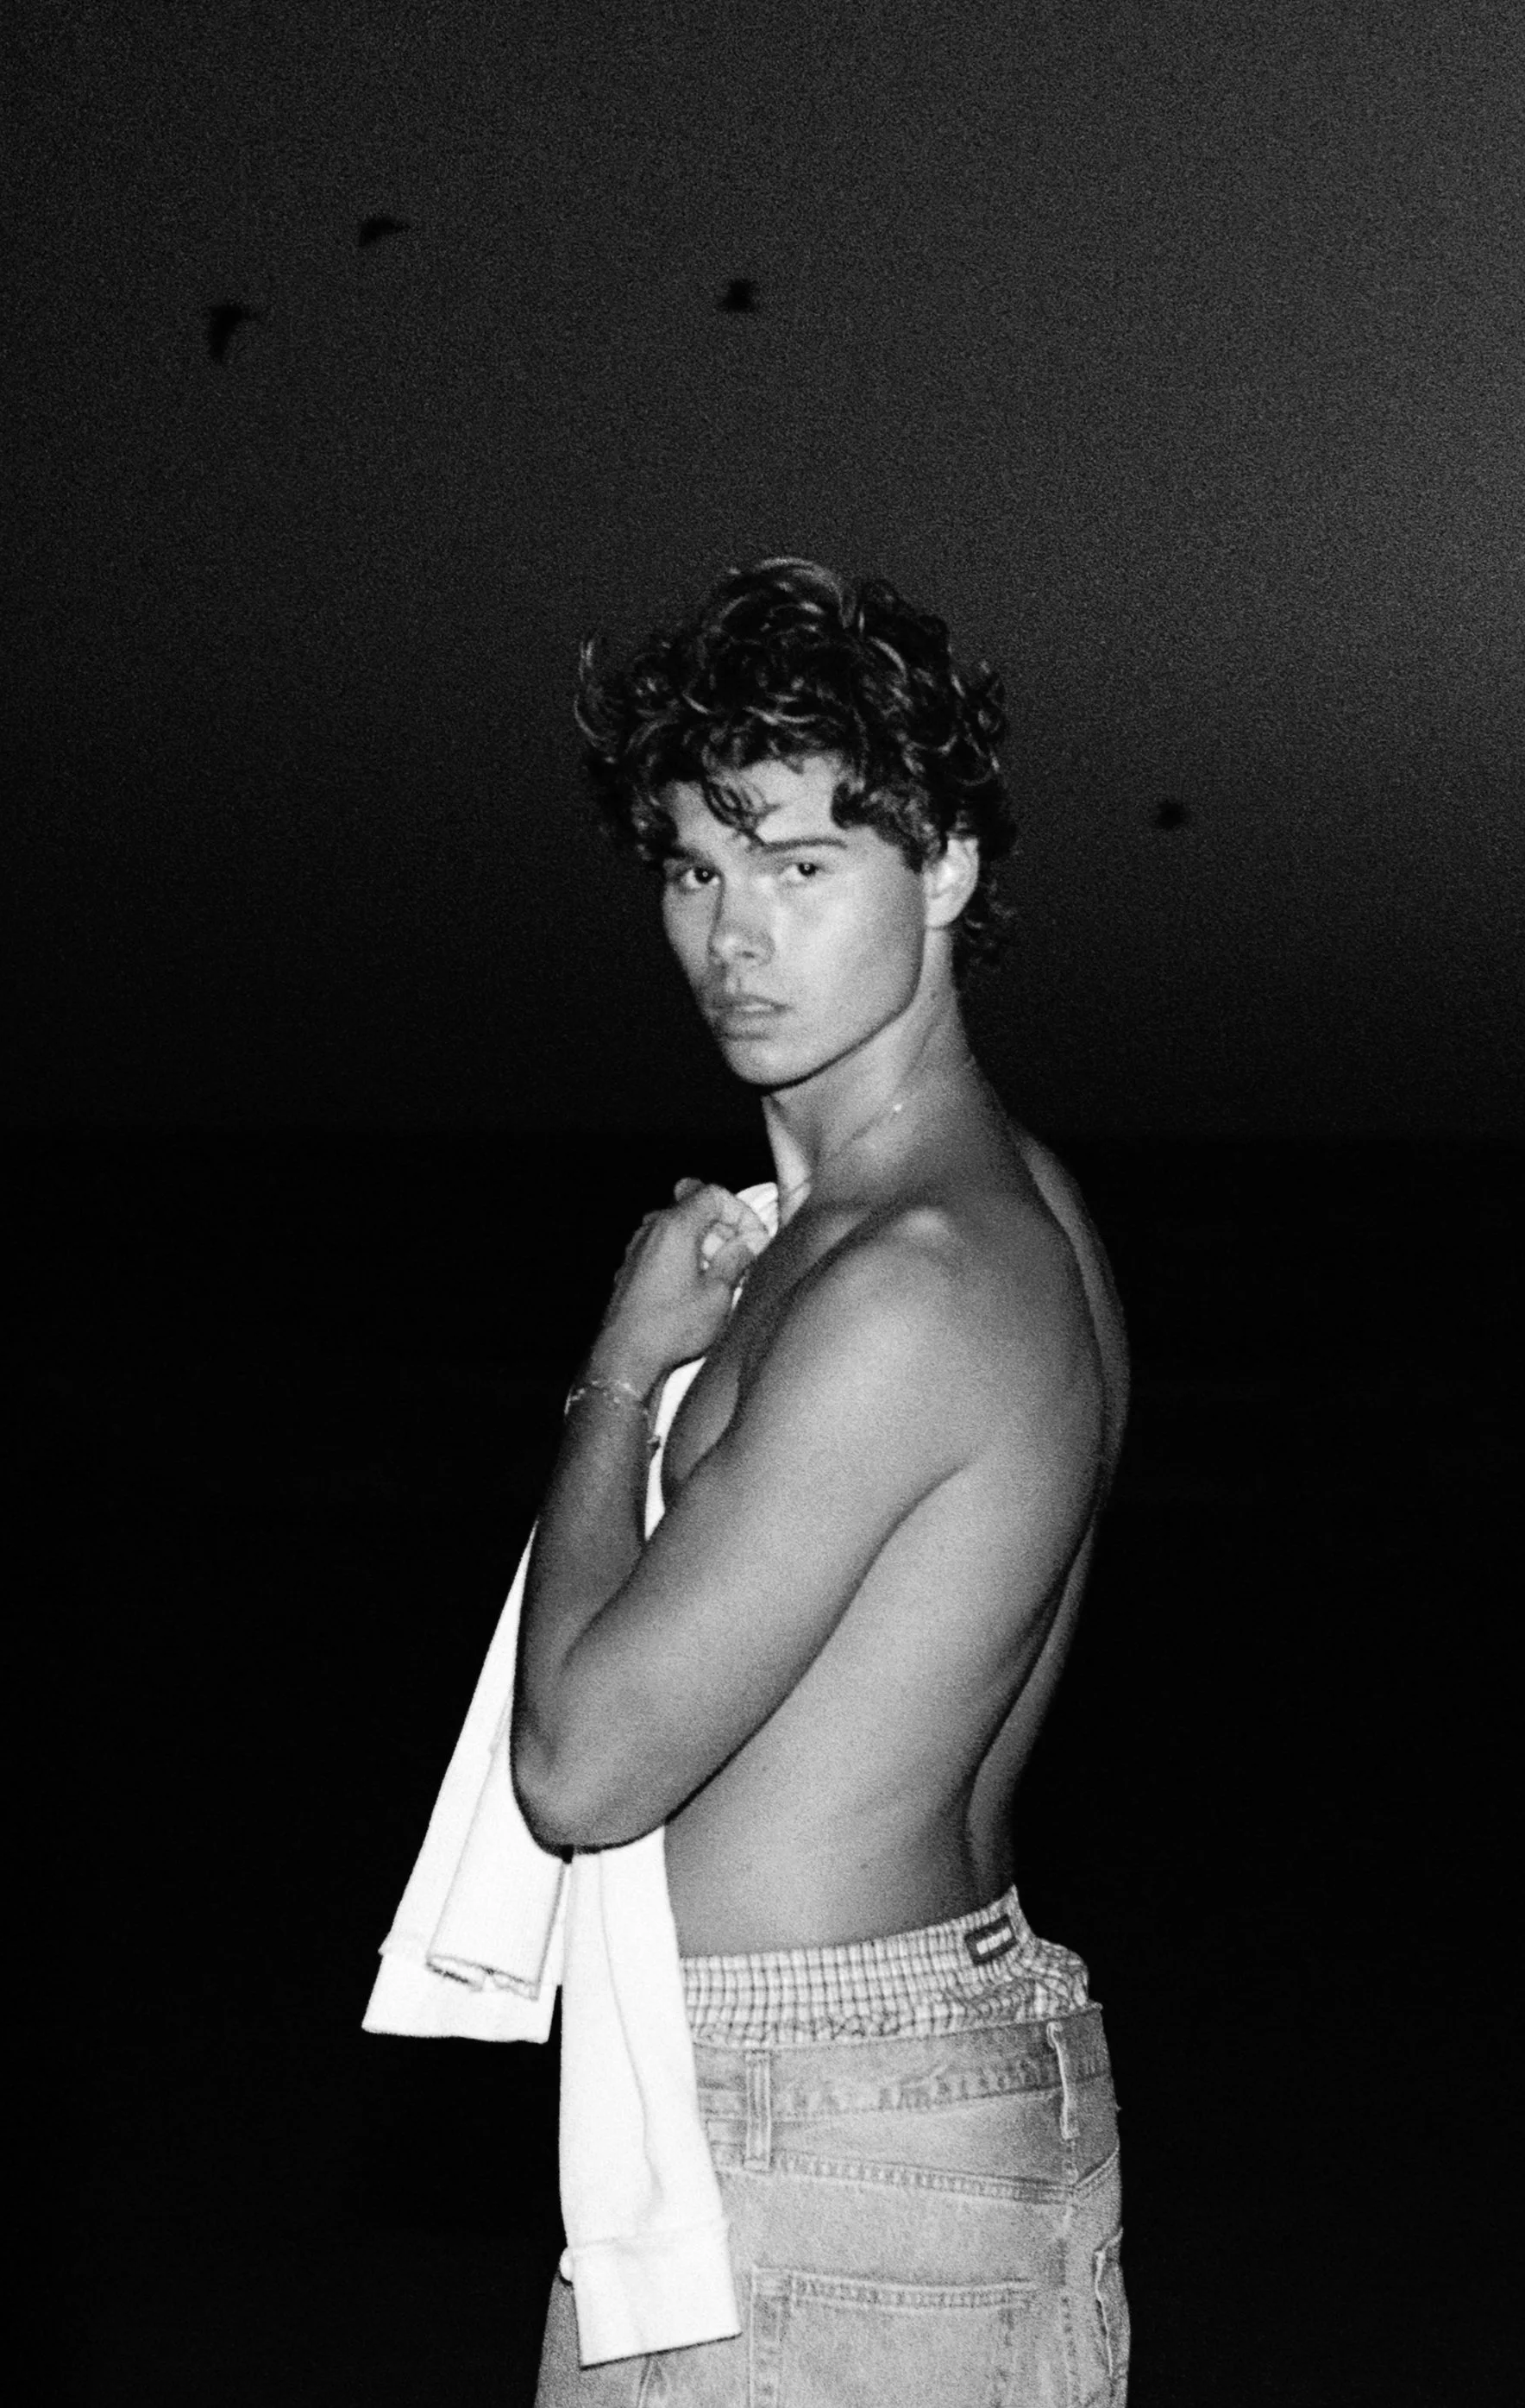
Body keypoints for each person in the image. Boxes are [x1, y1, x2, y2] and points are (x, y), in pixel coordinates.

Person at [511, 558, 1132, 2404]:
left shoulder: (909, 1279)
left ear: (938, 870)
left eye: (799, 866)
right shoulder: (997, 1216)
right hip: (907, 2070)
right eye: (696, 871)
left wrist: (617, 1376)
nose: (734, 938)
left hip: (811, 2128)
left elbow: (584, 1768)